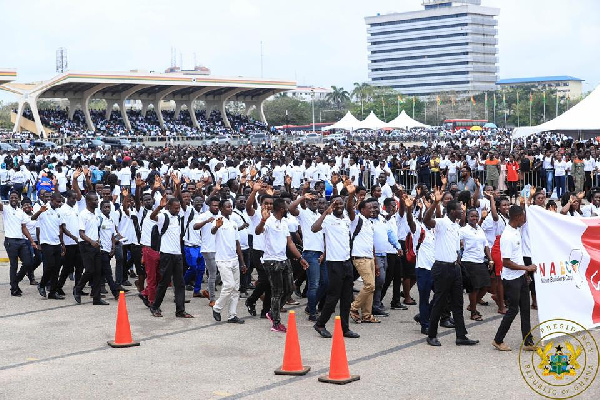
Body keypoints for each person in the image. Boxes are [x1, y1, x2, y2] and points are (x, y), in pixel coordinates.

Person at [423, 189, 478, 347]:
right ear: (452, 211)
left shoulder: (456, 226)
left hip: (455, 268)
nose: (462, 212)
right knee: (440, 302)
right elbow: (427, 220)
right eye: (459, 210)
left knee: (458, 303)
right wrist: (435, 202)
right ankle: (431, 335)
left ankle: (461, 336)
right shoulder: (441, 222)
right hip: (442, 268)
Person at [311, 189, 360, 339]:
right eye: (335, 203)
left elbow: (351, 209)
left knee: (346, 298)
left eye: (341, 202)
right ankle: (320, 324)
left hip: (346, 262)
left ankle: (345, 328)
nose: (339, 205)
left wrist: (351, 195)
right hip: (334, 264)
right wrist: (326, 212)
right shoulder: (327, 220)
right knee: (333, 297)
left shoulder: (347, 219)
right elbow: (314, 228)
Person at [255, 197, 307, 332]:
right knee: (277, 292)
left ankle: (272, 312)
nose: (288, 209)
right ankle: (276, 322)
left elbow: (290, 243)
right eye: (286, 207)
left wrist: (300, 257)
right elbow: (257, 231)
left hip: (283, 260)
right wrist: (262, 220)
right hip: (271, 261)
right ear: (282, 209)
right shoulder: (268, 220)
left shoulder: (284, 222)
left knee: (290, 288)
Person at [492, 205, 537, 352]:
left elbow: (518, 256)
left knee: (525, 309)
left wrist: (524, 274)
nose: (524, 219)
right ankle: (498, 340)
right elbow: (506, 262)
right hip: (511, 279)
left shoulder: (517, 231)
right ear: (517, 217)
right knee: (513, 310)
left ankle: (528, 342)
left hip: (520, 277)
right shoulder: (508, 236)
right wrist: (527, 269)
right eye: (523, 216)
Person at [149, 195, 193, 318]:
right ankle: (155, 307)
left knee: (180, 284)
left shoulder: (178, 218)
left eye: (178, 208)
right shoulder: (164, 216)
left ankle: (180, 310)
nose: (178, 210)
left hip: (177, 254)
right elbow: (152, 217)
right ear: (169, 207)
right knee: (164, 283)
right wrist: (159, 207)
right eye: (175, 208)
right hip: (166, 254)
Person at [288, 191, 327, 322]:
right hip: (310, 253)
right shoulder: (304, 214)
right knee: (314, 285)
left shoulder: (322, 216)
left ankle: (311, 306)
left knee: (326, 283)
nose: (315, 202)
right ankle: (312, 313)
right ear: (308, 202)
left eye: (318, 200)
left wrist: (324, 253)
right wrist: (302, 197)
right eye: (313, 200)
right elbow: (291, 208)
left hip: (321, 254)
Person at [211, 199, 247, 324]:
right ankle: (217, 307)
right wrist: (216, 227)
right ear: (221, 208)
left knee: (236, 288)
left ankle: (232, 315)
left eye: (231, 206)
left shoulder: (233, 223)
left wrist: (242, 262)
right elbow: (212, 231)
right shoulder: (218, 221)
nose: (230, 208)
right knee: (229, 285)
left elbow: (237, 243)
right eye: (227, 207)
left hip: (234, 260)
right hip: (222, 259)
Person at [349, 198, 380, 324]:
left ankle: (367, 315)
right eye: (369, 208)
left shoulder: (369, 223)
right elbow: (350, 211)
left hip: (370, 258)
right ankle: (354, 307)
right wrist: (352, 196)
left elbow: (371, 244)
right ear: (362, 210)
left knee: (371, 288)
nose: (372, 210)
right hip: (360, 257)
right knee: (370, 285)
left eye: (373, 208)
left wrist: (375, 262)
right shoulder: (357, 220)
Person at [2, 190, 37, 296]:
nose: (13, 199)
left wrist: (32, 241)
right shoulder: (5, 209)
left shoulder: (20, 212)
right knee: (14, 265)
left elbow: (24, 227)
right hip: (10, 241)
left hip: (21, 241)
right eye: (11, 197)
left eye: (15, 197)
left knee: (28, 263)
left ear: (18, 199)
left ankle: (15, 281)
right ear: (9, 199)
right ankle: (14, 289)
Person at [459, 209, 492, 321]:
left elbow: (486, 245)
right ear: (468, 217)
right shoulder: (463, 230)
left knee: (486, 286)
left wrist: (490, 260)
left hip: (480, 261)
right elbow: (457, 243)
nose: (474, 218)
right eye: (472, 216)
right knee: (474, 288)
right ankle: (473, 312)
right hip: (469, 261)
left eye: (476, 216)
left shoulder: (480, 229)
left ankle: (472, 305)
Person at [74, 192, 107, 305]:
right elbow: (81, 234)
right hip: (86, 245)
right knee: (89, 270)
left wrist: (96, 240)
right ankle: (77, 289)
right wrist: (92, 242)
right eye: (95, 200)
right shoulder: (83, 214)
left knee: (98, 271)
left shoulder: (96, 213)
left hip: (95, 245)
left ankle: (96, 298)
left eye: (97, 200)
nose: (97, 202)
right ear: (88, 201)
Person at [194, 196, 221, 307]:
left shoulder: (220, 216)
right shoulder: (203, 215)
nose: (216, 207)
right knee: (213, 273)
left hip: (219, 248)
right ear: (209, 205)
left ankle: (208, 291)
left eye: (217, 205)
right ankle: (212, 299)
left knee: (223, 273)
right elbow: (195, 227)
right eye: (214, 205)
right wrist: (206, 221)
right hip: (208, 249)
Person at [183, 196, 208, 298]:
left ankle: (196, 291)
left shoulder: (203, 214)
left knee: (201, 270)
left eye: (201, 201)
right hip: (190, 246)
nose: (199, 203)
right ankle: (180, 285)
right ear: (193, 202)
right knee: (193, 268)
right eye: (196, 201)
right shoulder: (188, 211)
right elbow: (181, 200)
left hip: (200, 246)